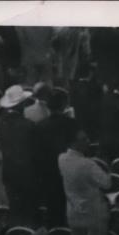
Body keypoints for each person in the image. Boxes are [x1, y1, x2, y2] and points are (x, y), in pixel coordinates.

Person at [58, 127, 112, 235]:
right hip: (93, 213)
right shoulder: (88, 164)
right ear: (73, 142)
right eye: (83, 140)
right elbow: (107, 183)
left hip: (73, 212)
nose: (88, 142)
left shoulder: (62, 159)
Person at [0, 84, 42, 225]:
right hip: (28, 172)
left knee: (15, 207)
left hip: (9, 171)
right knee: (30, 210)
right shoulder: (29, 125)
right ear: (21, 104)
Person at [36, 88, 77, 226]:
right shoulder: (71, 124)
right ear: (64, 105)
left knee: (53, 210)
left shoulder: (40, 126)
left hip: (48, 173)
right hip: (68, 172)